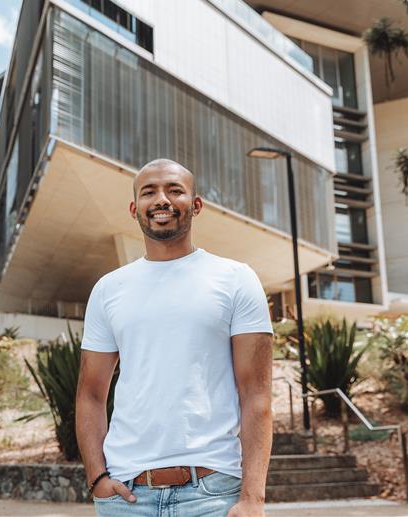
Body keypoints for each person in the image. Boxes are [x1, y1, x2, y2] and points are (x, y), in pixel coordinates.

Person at [75, 158, 274, 517]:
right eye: (149, 192)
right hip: (127, 497)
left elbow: (256, 394)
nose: (162, 200)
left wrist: (253, 498)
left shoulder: (235, 279)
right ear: (135, 209)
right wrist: (97, 479)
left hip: (213, 493)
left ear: (195, 205)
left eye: (174, 190)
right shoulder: (109, 290)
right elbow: (90, 394)